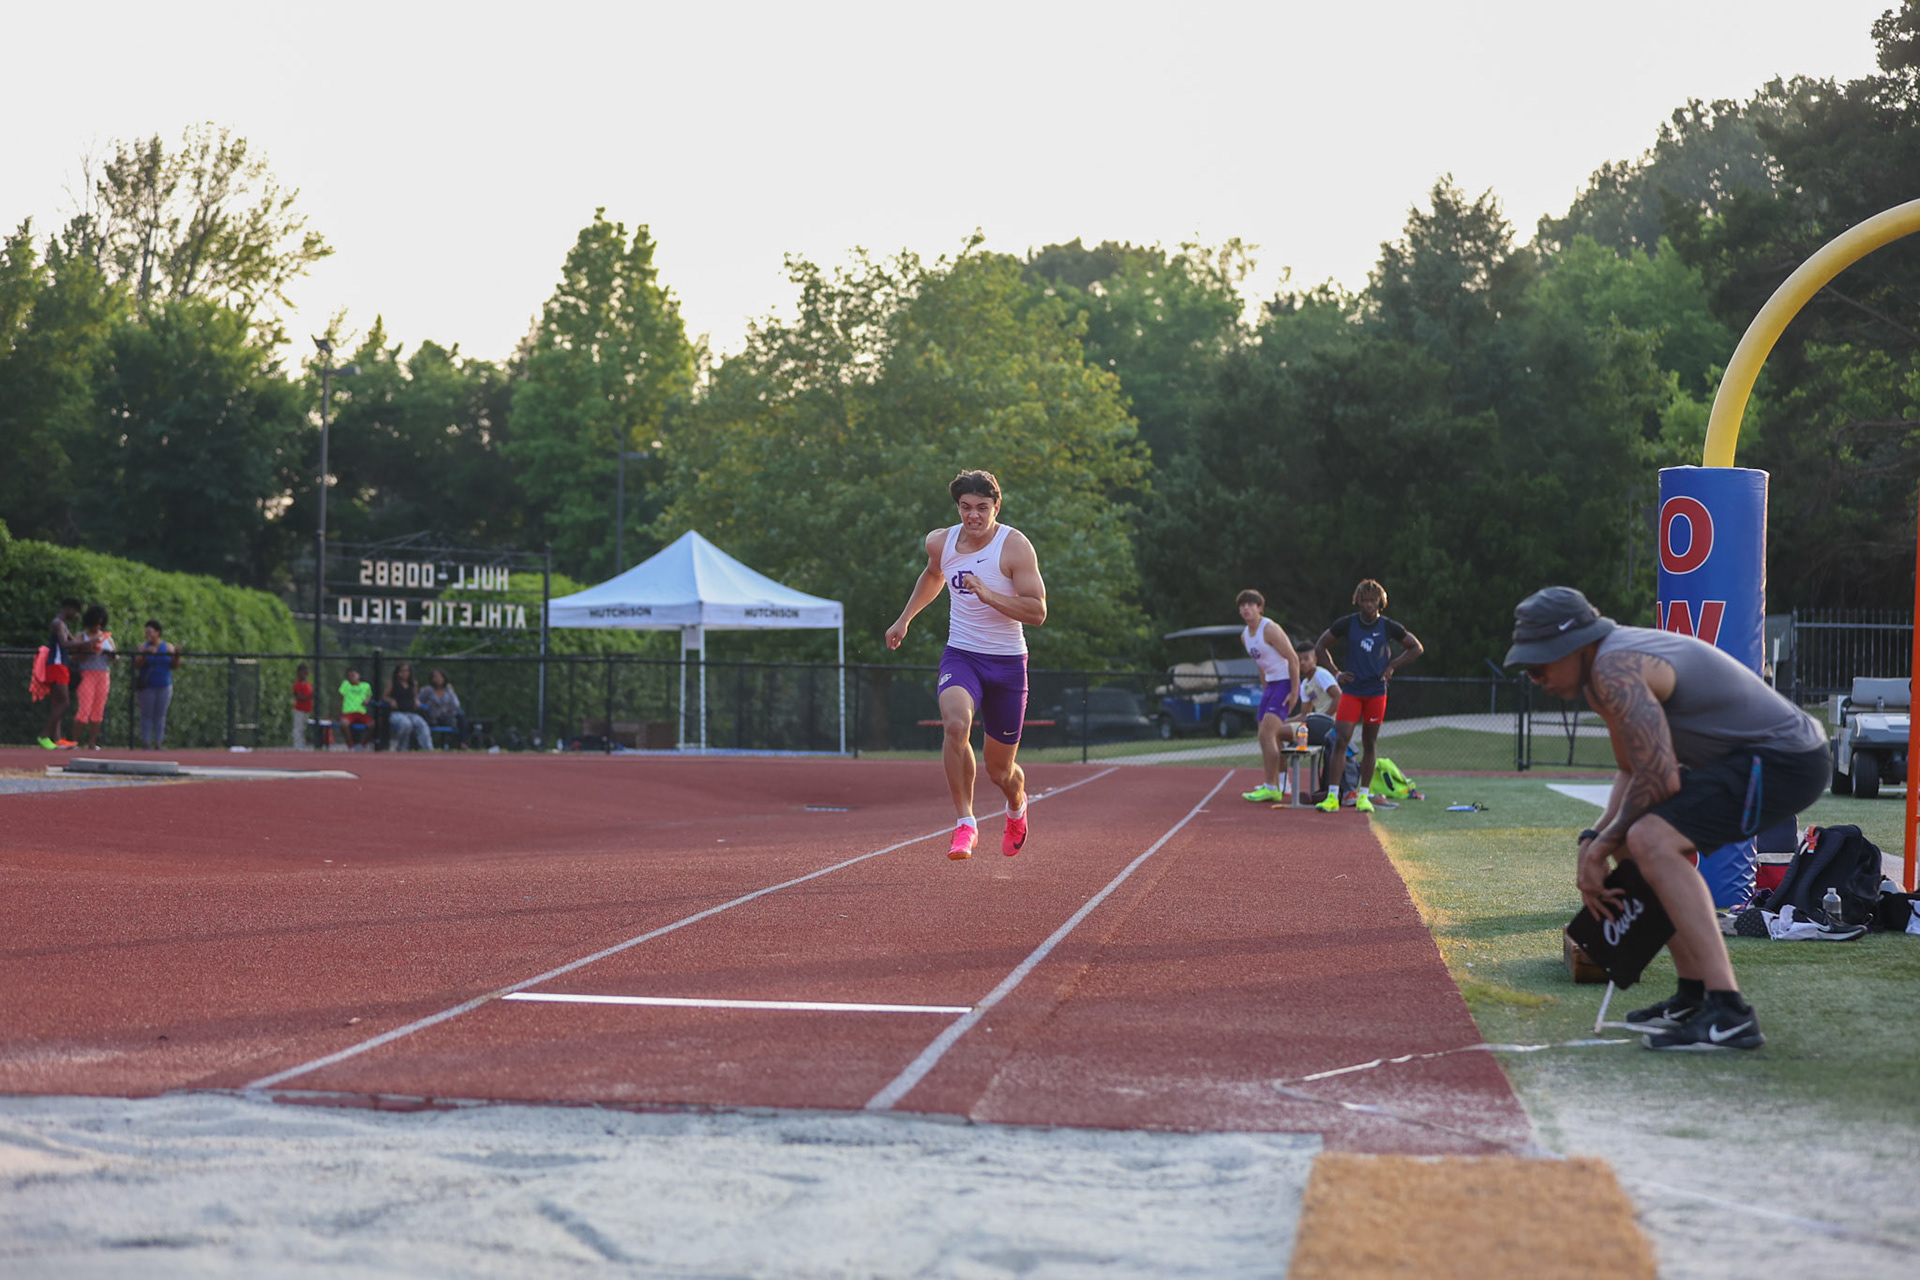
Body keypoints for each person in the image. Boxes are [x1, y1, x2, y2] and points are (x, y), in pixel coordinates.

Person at [1508, 586, 1828, 1051]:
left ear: (1575, 646)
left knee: (1652, 839)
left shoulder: (1614, 669)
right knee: (1630, 840)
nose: (1535, 677)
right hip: (1757, 758)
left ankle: (1729, 1013)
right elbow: (1631, 769)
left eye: (1540, 663)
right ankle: (1693, 995)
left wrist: (1598, 847)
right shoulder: (1602, 674)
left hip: (1785, 758)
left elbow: (1659, 778)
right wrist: (1594, 839)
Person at [886, 470, 1047, 860]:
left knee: (1001, 772)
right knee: (955, 724)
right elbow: (932, 574)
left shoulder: (1015, 547)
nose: (972, 516)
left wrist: (989, 594)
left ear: (996, 507)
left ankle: (1017, 807)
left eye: (981, 508)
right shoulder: (941, 541)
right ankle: (965, 824)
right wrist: (905, 618)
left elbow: (1038, 611)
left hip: (1007, 665)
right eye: (965, 508)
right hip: (962, 655)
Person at [1313, 579, 1423, 813]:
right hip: (1352, 691)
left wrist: (1393, 665)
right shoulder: (1347, 624)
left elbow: (1416, 648)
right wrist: (1336, 673)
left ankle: (1363, 796)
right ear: (1358, 602)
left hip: (1376, 692)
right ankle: (1333, 796)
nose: (1369, 605)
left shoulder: (1388, 626)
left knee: (1369, 743)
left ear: (1380, 602)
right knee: (1341, 739)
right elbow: (1320, 646)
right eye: (1364, 601)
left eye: (1373, 600)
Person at [1234, 590, 1302, 804]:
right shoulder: (1245, 636)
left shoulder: (1270, 629)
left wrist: (1294, 691)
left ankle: (1272, 787)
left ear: (1260, 608)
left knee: (1267, 735)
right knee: (1263, 736)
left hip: (1284, 684)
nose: (1246, 608)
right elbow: (1261, 663)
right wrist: (1265, 688)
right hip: (1271, 686)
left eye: (1251, 604)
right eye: (1243, 605)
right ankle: (1276, 783)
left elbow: (1292, 658)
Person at [38, 598, 89, 749]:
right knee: (64, 703)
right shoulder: (58, 623)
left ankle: (57, 739)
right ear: (69, 608)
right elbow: (65, 644)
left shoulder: (63, 625)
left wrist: (91, 647)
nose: (76, 616)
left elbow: (73, 644)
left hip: (60, 665)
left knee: (56, 704)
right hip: (57, 665)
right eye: (76, 612)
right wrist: (87, 643)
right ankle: (44, 736)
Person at [72, 605, 116, 750]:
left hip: (103, 674)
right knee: (84, 707)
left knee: (98, 710)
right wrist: (89, 651)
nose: (97, 626)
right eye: (95, 622)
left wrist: (110, 654)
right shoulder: (81, 636)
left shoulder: (107, 637)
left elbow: (115, 659)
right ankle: (74, 741)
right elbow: (74, 656)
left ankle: (92, 742)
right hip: (87, 673)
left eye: (100, 623)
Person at [130, 619, 176, 749]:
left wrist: (176, 654)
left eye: (150, 632)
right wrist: (146, 654)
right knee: (146, 714)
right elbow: (138, 665)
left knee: (160, 715)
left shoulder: (167, 647)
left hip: (164, 685)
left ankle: (158, 742)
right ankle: (146, 742)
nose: (147, 634)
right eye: (146, 632)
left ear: (158, 632)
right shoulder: (143, 647)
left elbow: (174, 665)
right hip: (147, 686)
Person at [386, 662, 432, 751]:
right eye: (402, 671)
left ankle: (428, 749)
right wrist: (391, 701)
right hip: (397, 713)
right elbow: (385, 697)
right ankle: (402, 748)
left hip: (410, 712)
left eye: (407, 671)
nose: (405, 673)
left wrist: (417, 701)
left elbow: (415, 696)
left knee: (422, 724)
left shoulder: (413, 684)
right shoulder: (392, 683)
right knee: (406, 724)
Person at [419, 669, 466, 748]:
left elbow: (456, 704)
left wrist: (448, 709)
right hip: (433, 716)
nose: (438, 679)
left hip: (448, 715)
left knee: (460, 715)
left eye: (440, 677)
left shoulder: (448, 690)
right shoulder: (427, 690)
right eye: (435, 677)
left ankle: (463, 743)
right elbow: (418, 702)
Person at [339, 667, 373, 750]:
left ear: (359, 676)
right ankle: (351, 746)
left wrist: (367, 700)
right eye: (349, 676)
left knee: (372, 724)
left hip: (361, 713)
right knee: (344, 724)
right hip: (348, 713)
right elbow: (341, 699)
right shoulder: (345, 684)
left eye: (353, 675)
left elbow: (369, 696)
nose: (351, 677)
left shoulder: (366, 686)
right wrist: (339, 713)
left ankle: (363, 745)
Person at [292, 664, 315, 750]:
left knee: (304, 728)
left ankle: (302, 745)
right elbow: (299, 697)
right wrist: (310, 696)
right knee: (298, 728)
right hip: (299, 709)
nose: (305, 674)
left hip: (307, 709)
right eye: (303, 673)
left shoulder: (308, 684)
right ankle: (297, 746)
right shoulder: (297, 684)